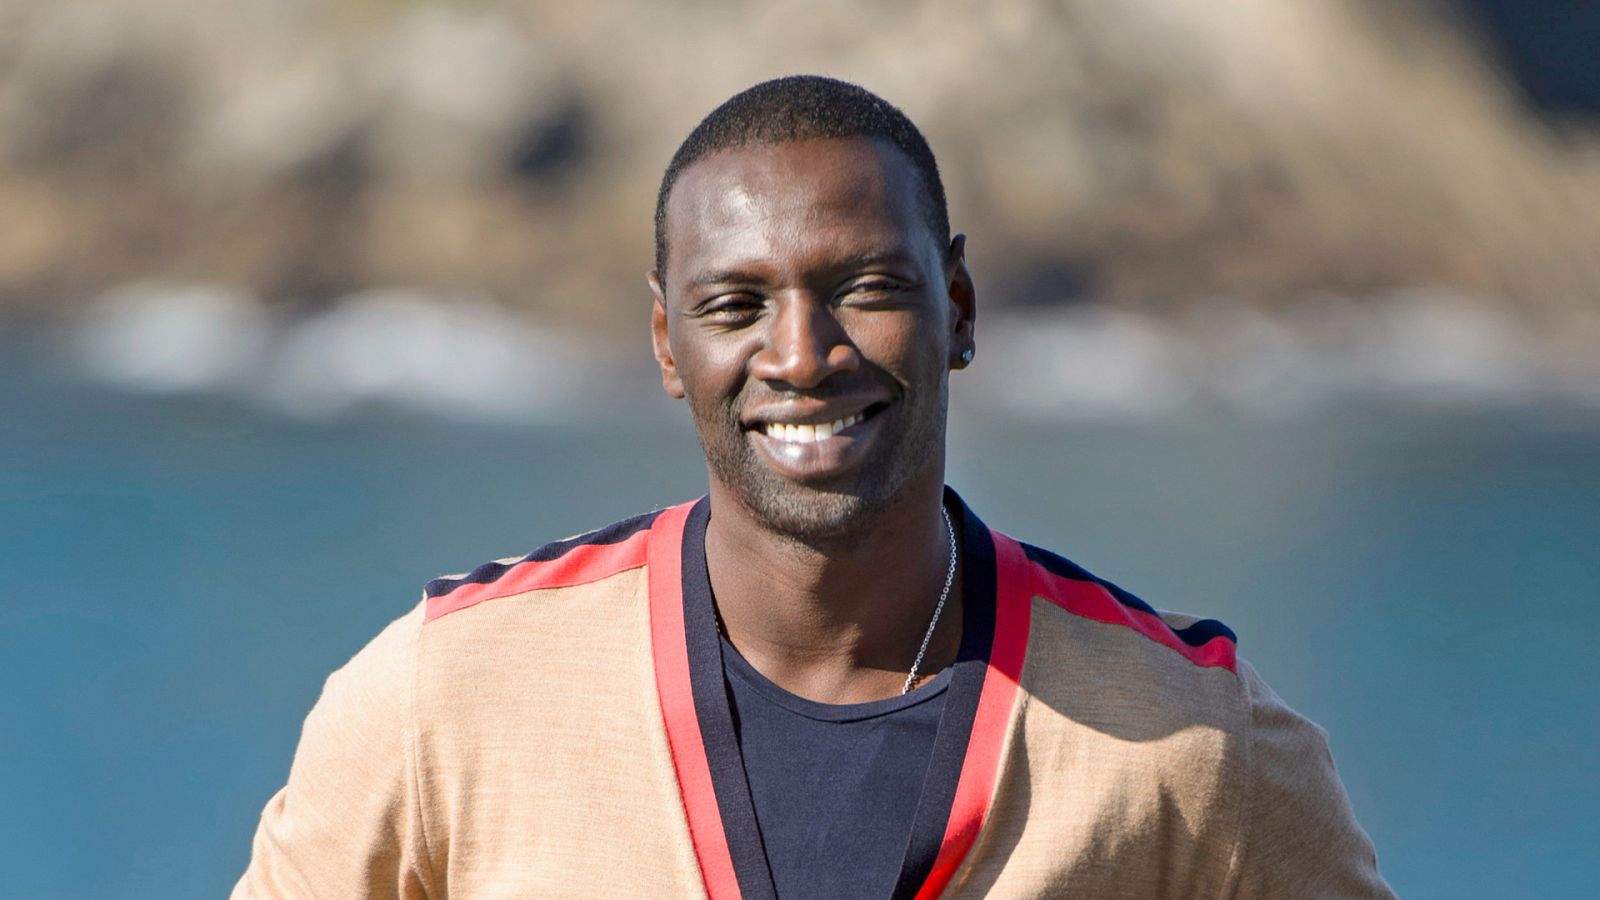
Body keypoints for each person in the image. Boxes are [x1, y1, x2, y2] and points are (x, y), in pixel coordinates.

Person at [235, 76, 1394, 899]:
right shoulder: (444, 696)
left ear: (959, 307)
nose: (800, 354)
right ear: (666, 343)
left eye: (865, 287)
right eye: (734, 305)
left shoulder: (1190, 736)